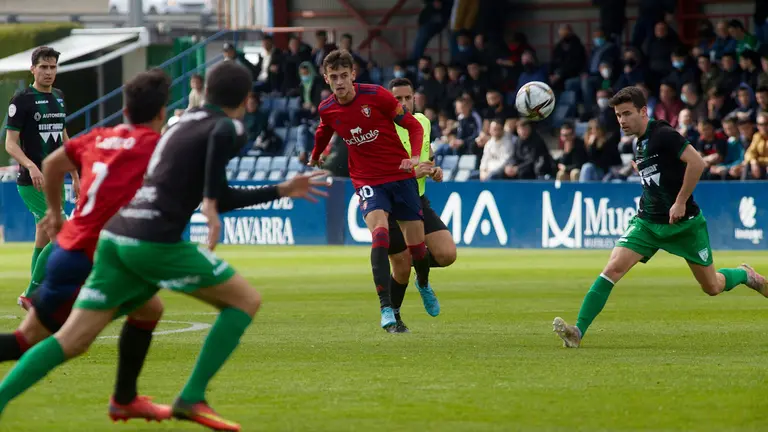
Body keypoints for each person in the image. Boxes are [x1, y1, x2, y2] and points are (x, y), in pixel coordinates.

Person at [0, 61, 329, 431]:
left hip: (112, 238)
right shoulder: (216, 129)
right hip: (144, 242)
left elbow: (61, 161)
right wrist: (218, 199)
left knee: (82, 335)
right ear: (245, 99)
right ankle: (191, 397)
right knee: (245, 301)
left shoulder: (174, 125)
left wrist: (57, 214)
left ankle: (108, 399)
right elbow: (221, 156)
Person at [0, 69, 174, 421]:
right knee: (30, 341)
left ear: (125, 111)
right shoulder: (155, 148)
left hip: (86, 250)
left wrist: (54, 213)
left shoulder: (101, 137)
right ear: (161, 114)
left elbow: (52, 163)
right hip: (89, 256)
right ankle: (122, 398)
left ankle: (125, 398)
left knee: (149, 308)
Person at [553, 86, 768, 348]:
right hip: (647, 223)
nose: (621, 120)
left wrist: (679, 202)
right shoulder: (639, 142)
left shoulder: (664, 135)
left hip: (684, 224)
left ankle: (745, 274)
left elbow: (697, 163)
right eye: (618, 115)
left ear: (644, 112)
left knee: (712, 286)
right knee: (612, 269)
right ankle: (578, 331)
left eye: (627, 114)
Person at [309, 49, 434, 331]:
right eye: (333, 77)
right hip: (367, 179)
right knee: (379, 234)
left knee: (417, 249)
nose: (339, 82)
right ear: (326, 79)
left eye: (344, 76)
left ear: (353, 75)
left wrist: (414, 157)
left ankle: (424, 283)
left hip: (400, 176)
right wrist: (317, 154)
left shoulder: (377, 95)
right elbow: (324, 130)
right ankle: (386, 308)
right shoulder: (327, 108)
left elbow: (412, 125)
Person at [4, 46, 80, 309]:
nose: (49, 72)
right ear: (32, 69)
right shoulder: (21, 99)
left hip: (56, 178)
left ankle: (35, 294)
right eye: (44, 67)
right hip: (33, 181)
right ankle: (31, 295)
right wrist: (30, 166)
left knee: (43, 235)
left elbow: (63, 136)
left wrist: (74, 173)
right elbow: (10, 144)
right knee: (63, 232)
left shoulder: (58, 97)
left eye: (53, 67)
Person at [387, 77, 457, 333]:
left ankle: (422, 274)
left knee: (447, 254)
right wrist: (411, 173)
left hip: (416, 199)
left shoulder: (423, 122)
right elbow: (379, 171)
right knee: (402, 264)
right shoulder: (383, 127)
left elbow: (425, 160)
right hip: (390, 203)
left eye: (408, 98)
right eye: (398, 99)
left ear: (415, 98)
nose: (404, 103)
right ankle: (393, 315)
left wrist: (433, 170)